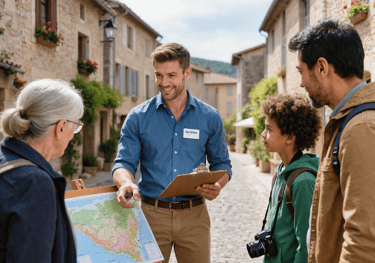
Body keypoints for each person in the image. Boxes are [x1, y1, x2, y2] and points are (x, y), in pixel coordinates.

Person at [112, 42, 232, 263]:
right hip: (151, 215)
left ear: (187, 73)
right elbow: (123, 163)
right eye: (159, 75)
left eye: (171, 75)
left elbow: (223, 164)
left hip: (194, 217)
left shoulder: (210, 117)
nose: (164, 83)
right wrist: (125, 183)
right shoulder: (138, 117)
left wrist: (218, 185)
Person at [289, 18, 375, 262]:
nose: (302, 82)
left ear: (322, 67)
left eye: (301, 72)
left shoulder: (361, 127)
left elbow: (364, 240)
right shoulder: (349, 119)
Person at [0, 79, 84, 262]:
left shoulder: (5, 158)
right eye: (75, 126)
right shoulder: (34, 182)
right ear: (61, 127)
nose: (73, 133)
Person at [260, 93, 321, 263]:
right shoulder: (281, 171)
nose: (263, 134)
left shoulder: (303, 181)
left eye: (269, 129)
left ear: (289, 137)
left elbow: (306, 244)